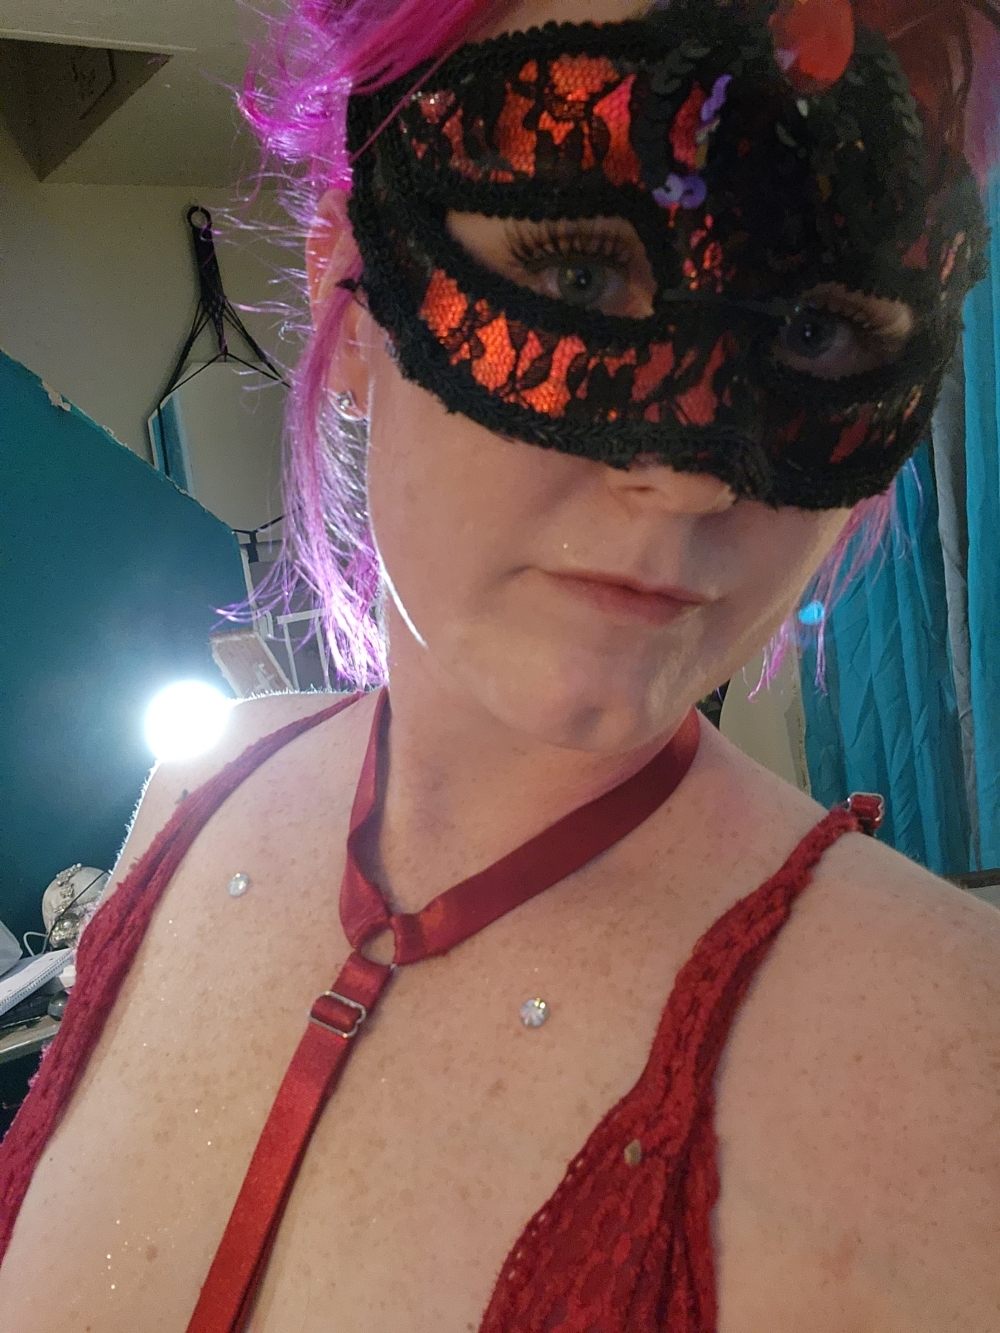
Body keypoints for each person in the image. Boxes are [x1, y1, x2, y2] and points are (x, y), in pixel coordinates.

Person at [1, 0, 998, 1329]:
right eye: (580, 273)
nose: (687, 477)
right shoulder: (192, 796)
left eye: (820, 332)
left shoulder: (955, 1072)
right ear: (351, 283)